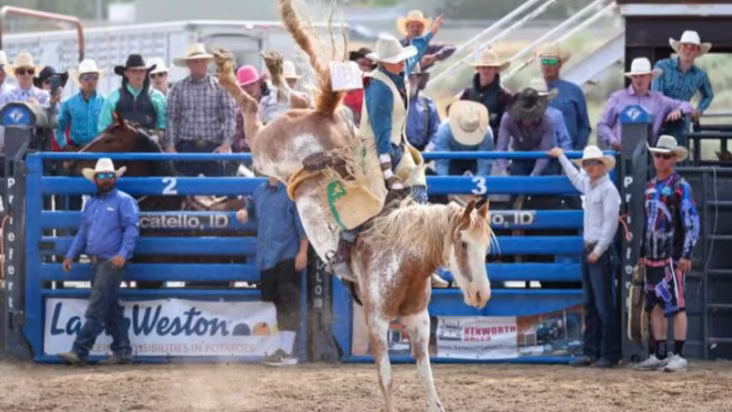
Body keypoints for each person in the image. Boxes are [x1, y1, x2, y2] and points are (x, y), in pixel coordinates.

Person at [330, 16, 444, 280]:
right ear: (386, 62)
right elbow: (380, 131)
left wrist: (430, 35)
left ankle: (424, 259)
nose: (404, 61)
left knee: (418, 188)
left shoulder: (398, 72)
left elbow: (415, 56)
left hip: (396, 145)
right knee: (369, 197)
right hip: (373, 148)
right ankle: (343, 249)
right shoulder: (378, 88)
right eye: (398, 58)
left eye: (403, 58)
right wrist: (387, 170)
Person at [57, 158, 139, 365]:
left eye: (109, 175)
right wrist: (71, 255)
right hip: (97, 261)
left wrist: (123, 254)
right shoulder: (91, 203)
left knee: (96, 307)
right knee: (109, 306)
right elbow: (83, 233)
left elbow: (132, 229)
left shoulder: (124, 200)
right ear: (95, 179)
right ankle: (123, 351)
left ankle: (80, 350)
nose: (106, 179)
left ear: (114, 177)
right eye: (102, 175)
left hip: (111, 261)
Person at [549, 145, 621, 368]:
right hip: (590, 249)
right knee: (592, 303)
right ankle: (594, 352)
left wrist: (598, 250)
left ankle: (608, 353)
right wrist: (561, 157)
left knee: (602, 304)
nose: (589, 167)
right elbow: (574, 176)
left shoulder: (608, 190)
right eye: (587, 164)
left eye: (592, 163)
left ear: (601, 165)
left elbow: (611, 224)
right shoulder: (592, 186)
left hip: (598, 250)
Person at [634, 135, 699, 372]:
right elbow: (646, 223)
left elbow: (691, 222)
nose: (660, 159)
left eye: (665, 156)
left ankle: (679, 354)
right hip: (652, 255)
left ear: (674, 159)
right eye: (657, 155)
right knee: (655, 305)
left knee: (676, 305)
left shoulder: (681, 186)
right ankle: (659, 353)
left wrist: (686, 254)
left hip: (672, 255)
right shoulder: (650, 186)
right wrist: (642, 251)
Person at [236, 176, 309, 366]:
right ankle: (281, 349)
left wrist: (302, 251)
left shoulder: (290, 193)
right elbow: (250, 204)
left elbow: (302, 225)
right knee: (274, 301)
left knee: (287, 302)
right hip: (267, 257)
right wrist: (244, 211)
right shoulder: (260, 191)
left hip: (287, 255)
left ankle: (286, 351)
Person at [165, 43, 237, 177]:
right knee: (183, 192)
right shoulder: (178, 88)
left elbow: (229, 117)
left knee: (222, 191)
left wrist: (226, 145)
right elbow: (171, 119)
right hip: (186, 147)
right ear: (189, 65)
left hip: (214, 147)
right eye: (196, 61)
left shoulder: (220, 86)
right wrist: (171, 146)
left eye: (202, 60)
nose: (200, 64)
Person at [597, 57, 692, 150]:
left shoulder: (659, 100)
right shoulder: (617, 98)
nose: (639, 80)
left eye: (642, 76)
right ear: (631, 78)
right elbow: (602, 125)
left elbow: (686, 105)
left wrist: (679, 110)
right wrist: (613, 141)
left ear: (650, 77)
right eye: (635, 76)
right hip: (621, 151)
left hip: (650, 153)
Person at [653, 30, 714, 143]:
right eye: (685, 46)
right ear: (679, 48)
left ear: (697, 52)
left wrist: (699, 110)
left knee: (679, 153)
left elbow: (708, 95)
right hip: (659, 118)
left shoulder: (700, 75)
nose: (688, 51)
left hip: (682, 121)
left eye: (693, 48)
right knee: (656, 154)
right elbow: (657, 95)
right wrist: (674, 108)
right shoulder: (662, 66)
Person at [97, 54, 167, 135]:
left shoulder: (157, 97)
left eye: (142, 71)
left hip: (149, 145)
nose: (139, 75)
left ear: (146, 73)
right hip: (121, 145)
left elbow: (163, 126)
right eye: (134, 71)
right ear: (126, 73)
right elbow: (103, 128)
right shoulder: (113, 98)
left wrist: (157, 135)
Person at [494, 87, 556, 177]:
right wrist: (503, 172)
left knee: (549, 175)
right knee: (516, 173)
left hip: (543, 159)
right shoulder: (507, 119)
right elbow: (501, 148)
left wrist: (534, 175)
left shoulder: (548, 122)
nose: (527, 118)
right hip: (520, 157)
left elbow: (545, 151)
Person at [539, 44, 591, 150]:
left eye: (552, 62)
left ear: (560, 64)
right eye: (544, 62)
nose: (547, 66)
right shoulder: (532, 91)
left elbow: (584, 126)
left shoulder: (574, 91)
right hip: (540, 154)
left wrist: (576, 152)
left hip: (569, 152)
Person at [459, 49, 512, 142]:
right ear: (478, 70)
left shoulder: (504, 96)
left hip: (493, 146)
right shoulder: (467, 93)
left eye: (490, 67)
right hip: (467, 143)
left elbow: (507, 127)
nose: (486, 70)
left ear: (496, 71)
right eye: (483, 67)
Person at [434, 100, 493, 177]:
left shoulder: (486, 133)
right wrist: (444, 182)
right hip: (452, 161)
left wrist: (479, 183)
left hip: (474, 162)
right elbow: (442, 161)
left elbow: (484, 163)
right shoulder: (445, 130)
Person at [56, 59, 106, 150]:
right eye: (87, 78)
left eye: (95, 77)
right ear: (80, 80)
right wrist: (64, 146)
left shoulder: (105, 102)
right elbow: (59, 127)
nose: (91, 81)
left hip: (100, 149)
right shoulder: (69, 104)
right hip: (77, 149)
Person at [232, 65, 266, 153]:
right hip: (248, 156)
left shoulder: (269, 105)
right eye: (245, 86)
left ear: (259, 83)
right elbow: (236, 139)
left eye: (252, 84)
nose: (249, 88)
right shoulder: (239, 112)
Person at [406, 64, 440, 151]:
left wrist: (429, 148)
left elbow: (436, 131)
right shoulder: (391, 103)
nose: (409, 81)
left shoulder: (427, 104)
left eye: (412, 77)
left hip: (422, 154)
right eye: (406, 77)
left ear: (419, 79)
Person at [343, 47, 375, 124]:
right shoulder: (340, 83)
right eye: (362, 64)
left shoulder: (372, 87)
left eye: (369, 66)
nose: (366, 69)